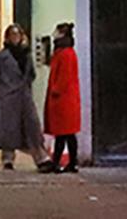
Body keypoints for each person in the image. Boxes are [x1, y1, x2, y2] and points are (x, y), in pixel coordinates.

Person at [0, 24, 53, 171]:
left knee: (32, 127)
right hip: (8, 99)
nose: (15, 38)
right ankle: (8, 159)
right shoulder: (2, 56)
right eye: (13, 35)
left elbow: (31, 74)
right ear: (7, 38)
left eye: (18, 35)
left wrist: (24, 86)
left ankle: (41, 158)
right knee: (9, 130)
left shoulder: (26, 55)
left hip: (24, 97)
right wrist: (3, 88)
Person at [44, 21, 81, 172]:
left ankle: (58, 162)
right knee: (68, 133)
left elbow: (63, 77)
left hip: (63, 100)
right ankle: (71, 162)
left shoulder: (64, 54)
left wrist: (55, 90)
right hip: (67, 99)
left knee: (62, 133)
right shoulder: (66, 52)